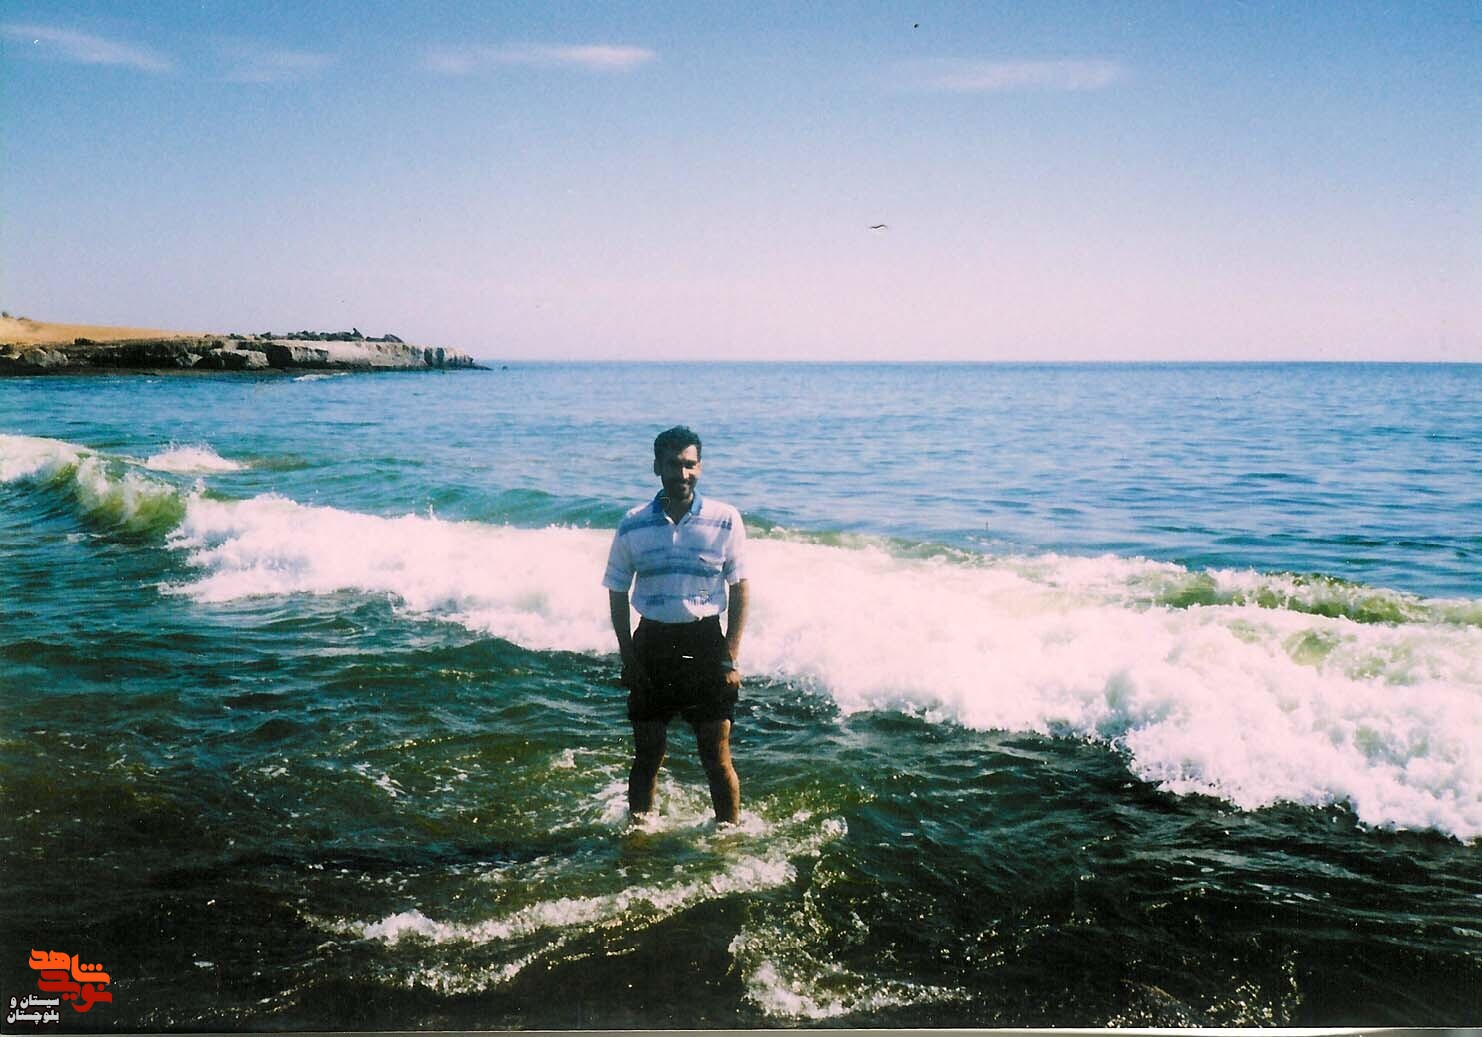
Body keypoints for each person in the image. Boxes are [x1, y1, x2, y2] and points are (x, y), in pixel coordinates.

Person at [602, 426, 750, 824]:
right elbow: (617, 590)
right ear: (657, 467)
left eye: (689, 465)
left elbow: (740, 587)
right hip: (652, 642)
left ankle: (729, 837)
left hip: (705, 643)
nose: (682, 474)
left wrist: (731, 656)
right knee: (647, 754)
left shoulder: (725, 519)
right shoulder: (633, 523)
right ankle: (640, 835)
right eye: (672, 465)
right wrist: (628, 656)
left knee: (716, 756)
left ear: (700, 467)